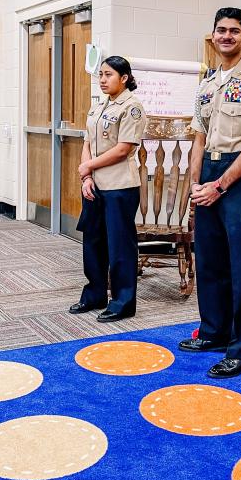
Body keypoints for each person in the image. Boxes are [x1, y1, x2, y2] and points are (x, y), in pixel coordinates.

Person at [178, 7, 241, 378]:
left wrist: (220, 185)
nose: (227, 36)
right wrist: (195, 183)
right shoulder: (206, 83)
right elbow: (199, 137)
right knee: (211, 260)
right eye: (221, 30)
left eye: (235, 31)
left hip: (238, 175)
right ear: (213, 35)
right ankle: (213, 332)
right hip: (209, 174)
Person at [70, 56, 148, 323]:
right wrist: (86, 176)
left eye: (108, 75)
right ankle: (94, 294)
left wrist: (88, 165)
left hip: (120, 187)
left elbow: (124, 149)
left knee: (119, 246)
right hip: (94, 185)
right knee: (92, 241)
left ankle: (123, 301)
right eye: (100, 75)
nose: (102, 80)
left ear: (124, 78)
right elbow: (87, 142)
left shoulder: (132, 107)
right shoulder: (98, 107)